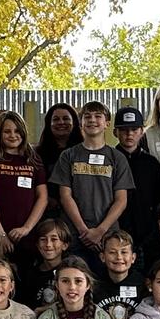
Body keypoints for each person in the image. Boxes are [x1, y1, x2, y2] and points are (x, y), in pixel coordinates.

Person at [57, 101, 134, 257]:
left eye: (98, 116)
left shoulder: (117, 158)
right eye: (87, 116)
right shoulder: (68, 155)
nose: (92, 120)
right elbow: (65, 196)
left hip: (107, 235)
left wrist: (100, 230)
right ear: (81, 123)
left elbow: (121, 200)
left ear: (106, 123)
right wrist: (83, 231)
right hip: (74, 233)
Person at [0, 110, 48, 255]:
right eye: (7, 131)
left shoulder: (34, 159)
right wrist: (0, 234)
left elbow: (43, 197)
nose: (12, 135)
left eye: (17, 131)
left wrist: (26, 228)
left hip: (27, 234)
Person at [112, 106, 160, 254]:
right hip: (115, 231)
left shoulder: (151, 163)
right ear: (115, 132)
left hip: (147, 233)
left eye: (134, 130)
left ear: (142, 132)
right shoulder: (109, 160)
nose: (129, 134)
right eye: (124, 130)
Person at [92, 230, 145, 319]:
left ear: (133, 257)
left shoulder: (143, 285)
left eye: (124, 252)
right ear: (102, 257)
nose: (119, 257)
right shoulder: (94, 286)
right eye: (112, 252)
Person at [15, 219, 71, 309]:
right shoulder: (30, 274)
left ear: (65, 245)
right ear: (37, 245)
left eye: (54, 239)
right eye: (43, 239)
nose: (48, 244)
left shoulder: (72, 271)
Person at [36, 102, 82, 203]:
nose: (61, 122)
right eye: (56, 119)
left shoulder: (84, 152)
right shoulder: (37, 154)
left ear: (74, 122)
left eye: (66, 118)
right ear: (49, 124)